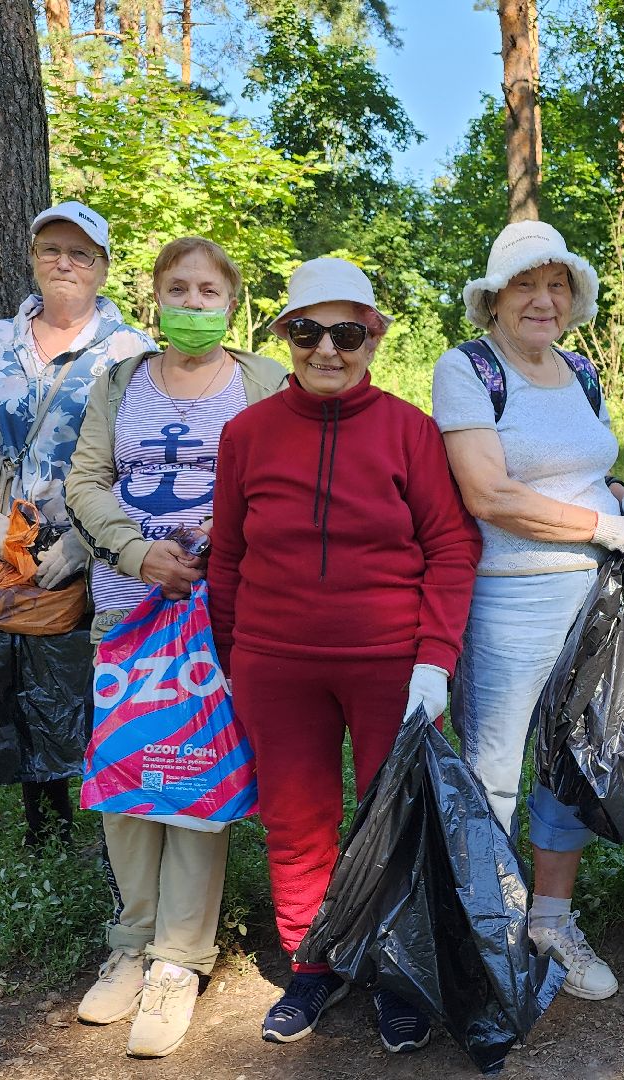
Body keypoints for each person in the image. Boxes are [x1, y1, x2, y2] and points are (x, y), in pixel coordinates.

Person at [206, 257, 481, 1052]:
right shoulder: (246, 434)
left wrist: (434, 661)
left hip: (391, 660)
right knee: (297, 821)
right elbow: (227, 555)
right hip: (274, 661)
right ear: (284, 336)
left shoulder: (410, 430)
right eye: (306, 331)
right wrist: (233, 652)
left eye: (347, 332)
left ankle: (398, 968)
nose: (327, 349)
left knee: (391, 820)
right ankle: (314, 962)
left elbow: (450, 549)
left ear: (375, 337)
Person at [63, 236, 286, 1058]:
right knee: (126, 770)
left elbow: (288, 476)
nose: (192, 304)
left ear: (233, 302)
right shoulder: (118, 382)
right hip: (128, 609)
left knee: (196, 767)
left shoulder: (263, 379)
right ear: (154, 299)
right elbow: (84, 482)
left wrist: (224, 546)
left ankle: (178, 960)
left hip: (221, 614)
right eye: (177, 289)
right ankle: (131, 940)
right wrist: (136, 551)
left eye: (208, 291)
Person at [433, 220, 624, 1001]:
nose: (542, 299)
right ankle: (487, 934)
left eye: (556, 284)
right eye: (524, 285)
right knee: (493, 769)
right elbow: (489, 495)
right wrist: (607, 527)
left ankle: (551, 921)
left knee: (574, 762)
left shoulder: (582, 371)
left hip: (598, 598)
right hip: (511, 599)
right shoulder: (467, 369)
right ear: (494, 299)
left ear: (573, 298)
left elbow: (589, 466)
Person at [0, 201, 156, 846]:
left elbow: (144, 457)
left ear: (103, 267)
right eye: (51, 251)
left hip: (88, 534)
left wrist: (90, 541)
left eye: (81, 254)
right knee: (10, 655)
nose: (64, 264)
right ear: (33, 260)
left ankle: (114, 812)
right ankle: (45, 816)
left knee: (82, 662)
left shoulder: (132, 353)